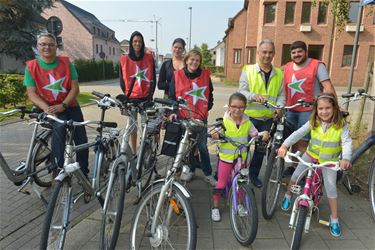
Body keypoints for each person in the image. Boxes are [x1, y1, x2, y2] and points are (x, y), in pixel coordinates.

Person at [277, 93, 352, 237]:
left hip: (329, 160)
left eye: (328, 108)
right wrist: (285, 145)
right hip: (311, 155)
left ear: (335, 108)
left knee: (331, 187)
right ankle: (288, 195)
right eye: (321, 109)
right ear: (316, 110)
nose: (324, 112)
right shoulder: (314, 121)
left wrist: (346, 158)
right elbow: (298, 133)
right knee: (296, 176)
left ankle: (334, 218)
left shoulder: (341, 125)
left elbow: (347, 142)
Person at [24, 33, 89, 176]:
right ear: (37, 47)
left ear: (56, 47)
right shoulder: (31, 67)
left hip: (69, 106)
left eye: (51, 44)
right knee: (58, 131)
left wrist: (64, 105)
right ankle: (56, 171)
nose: (47, 47)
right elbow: (31, 93)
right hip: (50, 108)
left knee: (81, 138)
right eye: (43, 44)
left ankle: (84, 172)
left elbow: (75, 88)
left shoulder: (66, 63)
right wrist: (45, 108)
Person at [210, 92, 269, 222]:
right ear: (229, 107)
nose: (237, 110)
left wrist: (262, 133)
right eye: (234, 106)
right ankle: (215, 208)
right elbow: (213, 135)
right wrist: (215, 135)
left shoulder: (247, 122)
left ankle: (240, 204)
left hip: (241, 159)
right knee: (221, 182)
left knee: (242, 182)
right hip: (226, 158)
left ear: (245, 107)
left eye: (241, 107)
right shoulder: (223, 121)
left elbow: (254, 133)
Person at [283, 41, 337, 176]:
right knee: (293, 141)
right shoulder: (288, 67)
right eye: (294, 52)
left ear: (306, 52)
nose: (297, 55)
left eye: (300, 51)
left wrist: (335, 105)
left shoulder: (317, 65)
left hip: (309, 110)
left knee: (303, 142)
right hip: (291, 108)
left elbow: (328, 86)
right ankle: (294, 168)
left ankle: (304, 172)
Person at [239, 39, 284, 188]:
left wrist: (279, 107)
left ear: (274, 54)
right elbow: (241, 92)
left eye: (270, 52)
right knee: (243, 147)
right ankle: (239, 173)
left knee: (260, 150)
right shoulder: (248, 70)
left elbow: (281, 95)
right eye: (264, 52)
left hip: (268, 119)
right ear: (258, 53)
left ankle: (253, 175)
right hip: (250, 118)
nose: (267, 55)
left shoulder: (279, 73)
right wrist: (253, 96)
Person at [169, 49, 216, 186]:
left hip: (201, 118)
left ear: (200, 62)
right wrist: (173, 111)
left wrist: (206, 109)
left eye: (197, 60)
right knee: (186, 146)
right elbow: (172, 97)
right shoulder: (177, 75)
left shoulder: (205, 75)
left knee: (202, 146)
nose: (194, 62)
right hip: (184, 117)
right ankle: (189, 169)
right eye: (192, 59)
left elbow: (210, 95)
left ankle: (208, 173)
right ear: (187, 60)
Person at [119, 31, 156, 154]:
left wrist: (150, 96)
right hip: (131, 99)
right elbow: (121, 80)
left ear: (143, 43)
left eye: (139, 41)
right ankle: (134, 152)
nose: (137, 43)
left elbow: (153, 79)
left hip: (145, 98)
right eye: (135, 41)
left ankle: (144, 153)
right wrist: (128, 95)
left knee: (146, 127)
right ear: (131, 43)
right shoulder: (124, 59)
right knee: (132, 128)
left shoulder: (149, 58)